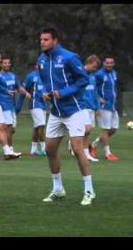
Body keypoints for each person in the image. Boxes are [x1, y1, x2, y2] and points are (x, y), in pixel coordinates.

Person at [37, 27, 96, 206]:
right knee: (49, 149)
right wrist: (45, 93)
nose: (42, 42)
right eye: (41, 39)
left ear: (55, 40)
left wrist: (63, 92)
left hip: (74, 110)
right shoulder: (41, 59)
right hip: (55, 112)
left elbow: (83, 80)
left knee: (78, 149)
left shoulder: (70, 57)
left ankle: (89, 190)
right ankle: (58, 189)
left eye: (46, 39)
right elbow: (43, 82)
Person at [0, 55, 29, 156]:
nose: (7, 64)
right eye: (5, 63)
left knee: (11, 130)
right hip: (3, 105)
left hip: (11, 106)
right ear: (1, 64)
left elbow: (19, 87)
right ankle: (10, 150)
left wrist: (25, 92)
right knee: (7, 128)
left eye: (8, 63)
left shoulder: (13, 76)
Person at [89, 55, 120, 162]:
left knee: (114, 129)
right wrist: (98, 98)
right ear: (103, 63)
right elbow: (92, 86)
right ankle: (108, 153)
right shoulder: (99, 74)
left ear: (113, 64)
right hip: (104, 106)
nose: (109, 64)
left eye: (111, 63)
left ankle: (93, 144)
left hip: (113, 105)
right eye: (107, 62)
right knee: (105, 129)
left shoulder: (114, 73)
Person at [17, 62, 47, 156]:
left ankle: (33, 150)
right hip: (34, 104)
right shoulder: (31, 76)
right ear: (36, 66)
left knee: (37, 127)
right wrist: (18, 106)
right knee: (41, 125)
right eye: (40, 64)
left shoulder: (46, 76)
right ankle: (44, 149)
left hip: (43, 105)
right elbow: (23, 90)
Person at [81, 55, 101, 162]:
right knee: (86, 130)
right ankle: (85, 154)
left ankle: (82, 150)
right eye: (94, 67)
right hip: (83, 107)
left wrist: (97, 107)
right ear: (88, 63)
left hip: (91, 108)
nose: (95, 69)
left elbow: (94, 92)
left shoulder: (92, 77)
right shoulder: (80, 74)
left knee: (88, 131)